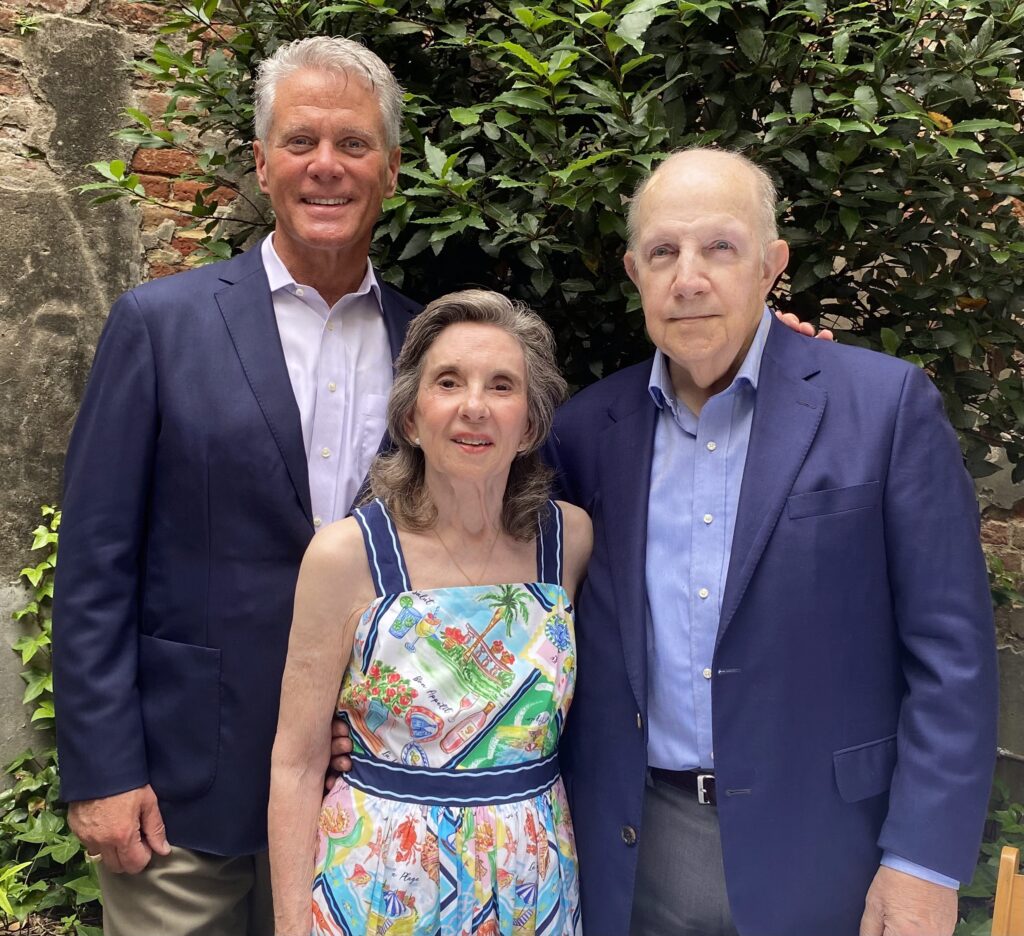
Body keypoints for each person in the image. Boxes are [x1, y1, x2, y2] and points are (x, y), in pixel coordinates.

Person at [545, 147, 998, 936]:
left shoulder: (884, 408)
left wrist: (923, 862)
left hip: (829, 852)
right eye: (663, 252)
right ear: (634, 274)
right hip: (635, 847)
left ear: (771, 264)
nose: (689, 277)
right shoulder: (586, 433)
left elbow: (952, 657)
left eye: (720, 246)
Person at [51, 36, 419, 935]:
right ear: (261, 164)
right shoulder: (159, 325)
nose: (325, 166)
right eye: (300, 142)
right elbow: (95, 564)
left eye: (353, 143)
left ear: (392, 170)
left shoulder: (431, 349)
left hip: (371, 795)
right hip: (182, 795)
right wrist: (103, 769)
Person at [270, 290, 592, 935]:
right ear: (412, 416)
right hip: (381, 877)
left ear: (529, 423)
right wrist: (288, 926)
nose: (474, 407)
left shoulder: (569, 543)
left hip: (532, 880)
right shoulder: (347, 554)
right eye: (449, 382)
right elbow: (297, 761)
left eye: (502, 386)